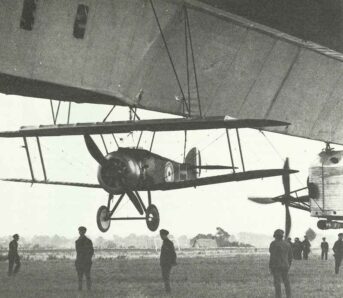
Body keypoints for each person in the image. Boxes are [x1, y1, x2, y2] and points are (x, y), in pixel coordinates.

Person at [269, 229, 292, 298]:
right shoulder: (287, 244)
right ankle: (289, 296)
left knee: (277, 283)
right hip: (285, 266)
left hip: (276, 266)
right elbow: (290, 257)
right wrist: (288, 265)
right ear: (282, 236)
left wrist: (270, 266)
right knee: (287, 283)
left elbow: (272, 255)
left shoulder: (273, 243)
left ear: (275, 236)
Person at [75, 226, 94, 291]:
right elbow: (78, 252)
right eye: (80, 231)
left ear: (84, 232)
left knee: (87, 276)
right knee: (80, 277)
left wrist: (87, 259)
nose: (81, 232)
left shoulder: (87, 241)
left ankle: (88, 289)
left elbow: (91, 251)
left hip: (85, 261)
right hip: (81, 261)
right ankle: (81, 289)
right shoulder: (78, 241)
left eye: (82, 231)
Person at [160, 229, 177, 293]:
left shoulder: (169, 243)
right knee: (165, 277)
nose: (161, 237)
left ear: (165, 235)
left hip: (167, 263)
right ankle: (167, 290)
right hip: (164, 263)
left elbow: (173, 253)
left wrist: (173, 262)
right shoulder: (165, 242)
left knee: (166, 277)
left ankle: (168, 292)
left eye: (161, 235)